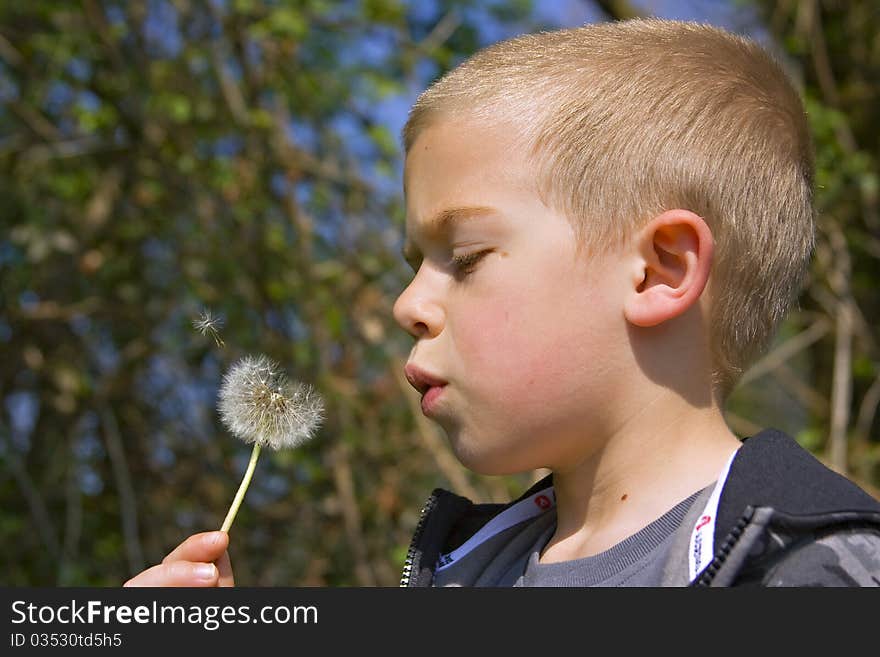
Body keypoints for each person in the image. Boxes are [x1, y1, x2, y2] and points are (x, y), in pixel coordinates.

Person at [124, 18, 880, 588]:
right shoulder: (467, 572)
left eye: (467, 256)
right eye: (415, 262)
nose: (407, 304)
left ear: (659, 271)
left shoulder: (814, 574)